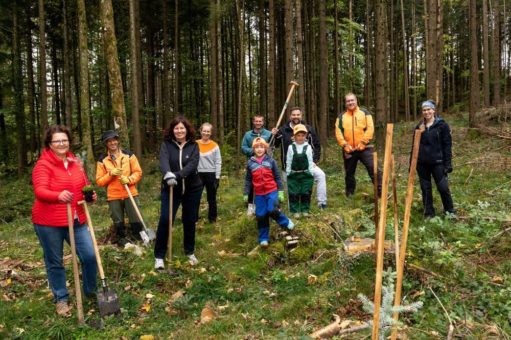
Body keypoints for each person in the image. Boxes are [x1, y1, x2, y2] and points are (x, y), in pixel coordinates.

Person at [32, 125, 97, 316]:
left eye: (64, 140)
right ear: (50, 144)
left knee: (90, 256)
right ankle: (61, 298)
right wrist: (57, 195)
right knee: (55, 261)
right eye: (57, 141)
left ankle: (90, 291)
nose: (61, 144)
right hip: (49, 223)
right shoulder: (43, 165)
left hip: (76, 219)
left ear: (69, 141)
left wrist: (89, 196)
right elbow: (40, 190)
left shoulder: (76, 161)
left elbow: (84, 185)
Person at [154, 116, 202, 269]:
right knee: (165, 219)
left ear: (187, 129)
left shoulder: (194, 145)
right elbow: (163, 161)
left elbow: (193, 164)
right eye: (176, 128)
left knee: (190, 219)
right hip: (170, 188)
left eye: (182, 128)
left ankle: (189, 251)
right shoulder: (166, 145)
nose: (179, 131)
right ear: (172, 130)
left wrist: (177, 175)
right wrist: (167, 174)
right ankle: (159, 256)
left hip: (192, 189)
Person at [272, 107, 327, 208]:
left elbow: (316, 145)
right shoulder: (283, 130)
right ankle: (294, 210)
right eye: (294, 115)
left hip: (307, 165)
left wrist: (315, 160)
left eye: (298, 114)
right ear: (290, 116)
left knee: (321, 175)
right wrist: (274, 135)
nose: (296, 117)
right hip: (290, 168)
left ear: (301, 116)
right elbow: (274, 145)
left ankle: (322, 203)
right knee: (292, 198)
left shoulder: (308, 129)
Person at [244, 137, 295, 248]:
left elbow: (277, 177)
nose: (259, 149)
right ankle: (263, 238)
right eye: (257, 147)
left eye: (261, 147)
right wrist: (246, 193)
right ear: (253, 149)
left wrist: (280, 191)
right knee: (261, 215)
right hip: (259, 194)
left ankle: (285, 222)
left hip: (271, 191)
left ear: (265, 148)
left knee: (272, 210)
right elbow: (248, 180)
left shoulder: (271, 161)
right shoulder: (250, 163)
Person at [96, 130, 143, 246]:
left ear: (118, 141)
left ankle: (139, 239)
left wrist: (129, 179)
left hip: (130, 193)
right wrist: (110, 174)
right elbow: (99, 181)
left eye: (114, 140)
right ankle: (122, 241)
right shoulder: (102, 160)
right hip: (114, 196)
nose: (112, 143)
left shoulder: (129, 155)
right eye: (109, 141)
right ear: (106, 143)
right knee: (118, 222)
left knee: (135, 218)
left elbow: (138, 172)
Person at [335, 93, 382, 197]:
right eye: (348, 101)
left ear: (356, 101)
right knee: (349, 173)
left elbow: (370, 128)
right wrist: (345, 146)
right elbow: (338, 132)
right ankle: (350, 194)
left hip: (365, 148)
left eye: (352, 100)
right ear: (345, 103)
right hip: (349, 149)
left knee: (373, 168)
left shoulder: (365, 113)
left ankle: (380, 192)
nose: (350, 102)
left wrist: (363, 142)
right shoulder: (341, 117)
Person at [414, 100, 455, 218]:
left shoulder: (442, 125)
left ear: (433, 110)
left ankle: (450, 212)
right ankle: (429, 213)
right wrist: (413, 163)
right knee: (425, 189)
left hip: (438, 163)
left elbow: (447, 145)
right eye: (424, 110)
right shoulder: (419, 127)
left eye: (428, 109)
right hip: (422, 164)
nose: (426, 112)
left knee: (443, 188)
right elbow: (415, 145)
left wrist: (448, 164)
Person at [241, 115, 273, 216]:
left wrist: (274, 135)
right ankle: (251, 205)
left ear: (263, 122)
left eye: (260, 121)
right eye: (256, 121)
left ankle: (267, 204)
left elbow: (273, 145)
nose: (258, 123)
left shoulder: (268, 134)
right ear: (253, 122)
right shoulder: (248, 135)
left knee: (266, 182)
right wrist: (254, 151)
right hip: (253, 162)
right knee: (251, 183)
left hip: (266, 163)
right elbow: (243, 147)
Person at [286, 124, 314, 216]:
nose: (300, 137)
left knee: (305, 192)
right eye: (298, 135)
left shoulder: (308, 147)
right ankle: (295, 211)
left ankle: (305, 209)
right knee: (294, 193)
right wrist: (288, 172)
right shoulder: (291, 147)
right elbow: (288, 160)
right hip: (293, 174)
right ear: (294, 136)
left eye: (303, 135)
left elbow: (310, 160)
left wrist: (311, 172)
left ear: (305, 136)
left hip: (306, 174)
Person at [197, 122, 222, 223]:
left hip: (211, 174)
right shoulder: (195, 144)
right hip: (197, 175)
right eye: (204, 131)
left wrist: (217, 177)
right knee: (195, 197)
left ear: (211, 133)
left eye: (208, 131)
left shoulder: (215, 146)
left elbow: (218, 161)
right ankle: (194, 217)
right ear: (201, 131)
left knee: (211, 198)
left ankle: (212, 218)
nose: (206, 133)